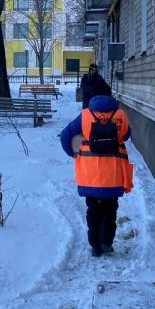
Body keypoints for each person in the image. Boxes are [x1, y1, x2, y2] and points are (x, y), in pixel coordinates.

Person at [59, 92, 134, 257]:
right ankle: (106, 243)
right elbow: (126, 135)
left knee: (92, 209)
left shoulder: (85, 115)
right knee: (110, 209)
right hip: (113, 173)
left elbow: (65, 135)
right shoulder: (120, 115)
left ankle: (95, 246)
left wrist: (73, 153)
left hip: (89, 173)